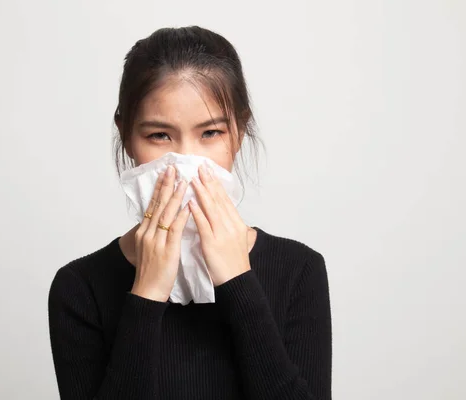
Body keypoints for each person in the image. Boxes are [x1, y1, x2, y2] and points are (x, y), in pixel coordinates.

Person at [48, 26, 332, 400]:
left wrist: (238, 282)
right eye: (159, 136)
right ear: (127, 136)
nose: (186, 161)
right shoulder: (79, 288)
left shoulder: (299, 270)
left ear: (239, 134)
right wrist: (147, 294)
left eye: (211, 133)